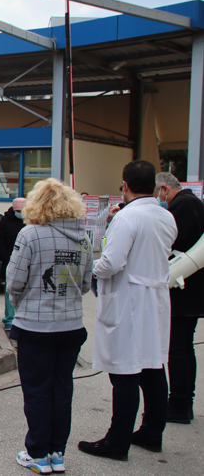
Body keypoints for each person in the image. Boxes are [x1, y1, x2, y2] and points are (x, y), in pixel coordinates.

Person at [78, 160, 178, 461]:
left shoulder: (128, 217)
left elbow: (111, 263)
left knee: (124, 373)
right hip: (155, 297)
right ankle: (151, 432)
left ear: (125, 184)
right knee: (152, 368)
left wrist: (88, 267)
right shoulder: (165, 216)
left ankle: (116, 441)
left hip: (129, 300)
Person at [5, 179, 92, 474]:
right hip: (71, 325)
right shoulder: (83, 237)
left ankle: (38, 453)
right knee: (61, 388)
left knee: (37, 390)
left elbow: (15, 281)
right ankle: (57, 452)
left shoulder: (30, 234)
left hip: (35, 326)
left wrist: (23, 304)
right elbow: (86, 282)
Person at [155, 172, 204, 424]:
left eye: (159, 194)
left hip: (184, 289)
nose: (159, 199)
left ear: (165, 188)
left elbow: (172, 241)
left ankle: (179, 403)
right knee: (184, 347)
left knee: (177, 348)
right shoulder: (193, 202)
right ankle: (184, 402)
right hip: (193, 290)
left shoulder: (183, 205)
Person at [0, 197, 26, 331]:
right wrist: (5, 255)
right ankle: (10, 318)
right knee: (10, 290)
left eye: (22, 210)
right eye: (17, 210)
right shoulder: (6, 220)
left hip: (26, 261)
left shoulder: (30, 222)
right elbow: (0, 239)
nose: (19, 212)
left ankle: (22, 317)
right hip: (10, 260)